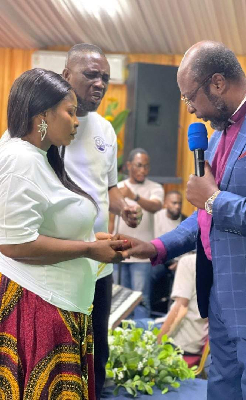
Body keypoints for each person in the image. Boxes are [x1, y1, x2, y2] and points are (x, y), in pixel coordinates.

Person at [120, 41, 246, 399]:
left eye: (190, 98)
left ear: (217, 83)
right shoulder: (216, 137)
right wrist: (156, 246)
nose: (190, 110)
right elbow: (205, 217)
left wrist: (215, 199)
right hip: (219, 303)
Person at [0, 69, 128, 399]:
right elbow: (15, 244)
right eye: (69, 112)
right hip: (39, 306)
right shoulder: (20, 159)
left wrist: (91, 241)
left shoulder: (41, 158)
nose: (75, 121)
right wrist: (87, 250)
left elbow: (49, 224)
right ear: (42, 114)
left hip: (59, 305)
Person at [61, 43, 141, 399]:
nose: (100, 83)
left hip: (100, 266)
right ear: (66, 76)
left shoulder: (106, 130)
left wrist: (125, 207)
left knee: (98, 347)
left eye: (105, 77)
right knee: (61, 349)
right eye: (90, 74)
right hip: (60, 261)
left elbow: (108, 189)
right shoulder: (41, 124)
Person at [112, 148, 164, 318]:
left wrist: (134, 197)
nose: (143, 170)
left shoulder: (155, 187)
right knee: (119, 300)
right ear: (128, 166)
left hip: (142, 256)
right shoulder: (117, 188)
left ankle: (141, 339)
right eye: (139, 166)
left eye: (146, 166)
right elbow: (111, 216)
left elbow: (155, 206)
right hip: (119, 253)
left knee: (141, 300)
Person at [136, 253, 208, 356]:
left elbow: (180, 311)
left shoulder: (189, 262)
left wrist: (157, 344)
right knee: (134, 323)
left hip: (180, 340)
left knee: (123, 327)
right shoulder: (224, 264)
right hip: (198, 337)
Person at [151, 191, 186, 314]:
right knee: (151, 273)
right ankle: (151, 308)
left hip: (179, 262)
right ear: (166, 203)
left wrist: (180, 262)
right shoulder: (156, 217)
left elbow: (191, 248)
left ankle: (172, 313)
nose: (177, 206)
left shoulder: (185, 221)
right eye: (174, 203)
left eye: (180, 203)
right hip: (159, 258)